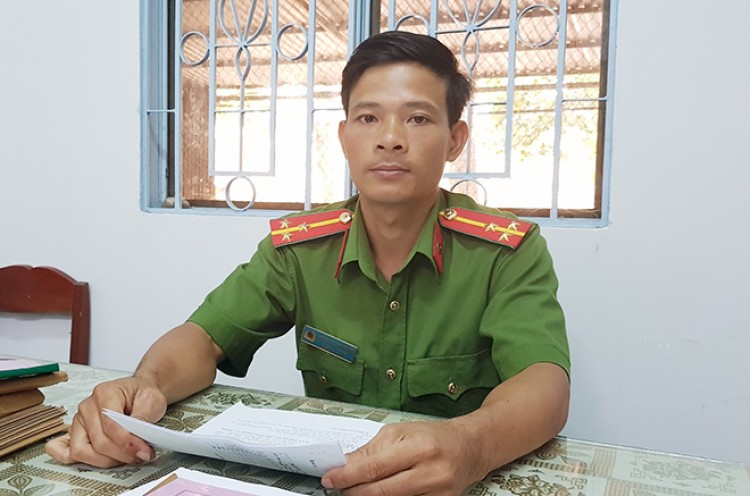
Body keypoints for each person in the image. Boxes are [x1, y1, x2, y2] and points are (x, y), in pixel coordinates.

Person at [46, 31, 570, 495]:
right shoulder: (300, 248)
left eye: (417, 117)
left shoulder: (506, 250)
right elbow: (204, 337)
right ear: (344, 137)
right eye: (368, 117)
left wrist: (470, 446)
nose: (390, 137)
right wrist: (147, 384)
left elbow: (545, 383)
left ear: (455, 140)